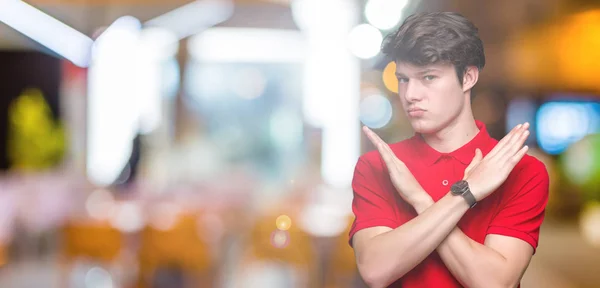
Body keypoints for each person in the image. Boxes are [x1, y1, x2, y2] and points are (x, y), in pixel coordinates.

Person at [349, 12, 549, 288]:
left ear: (468, 77)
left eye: (428, 77)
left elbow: (494, 283)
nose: (410, 95)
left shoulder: (522, 170)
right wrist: (464, 194)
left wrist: (420, 200)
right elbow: (374, 269)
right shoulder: (379, 165)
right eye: (404, 79)